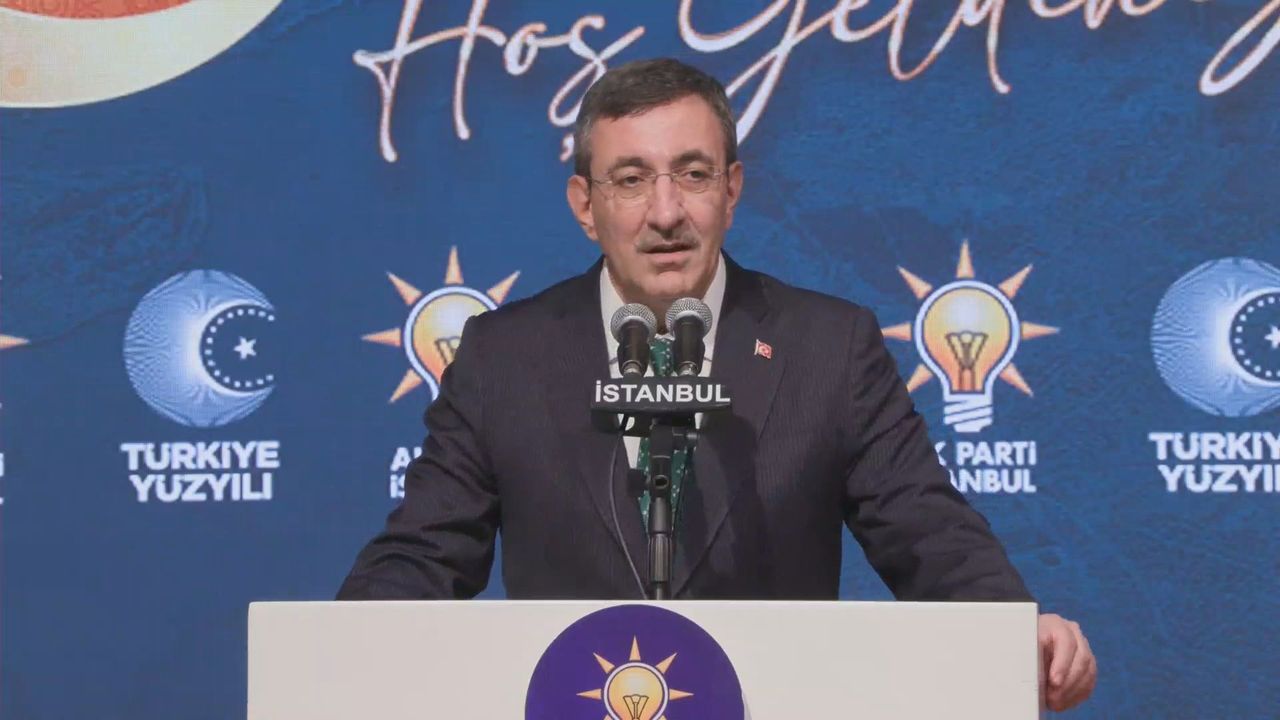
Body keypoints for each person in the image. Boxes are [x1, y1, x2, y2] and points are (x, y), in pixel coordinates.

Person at [338, 58, 1096, 712]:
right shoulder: (503, 355)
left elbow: (924, 527)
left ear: (732, 189)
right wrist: (330, 652)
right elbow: (425, 551)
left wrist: (1008, 629)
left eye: (693, 175)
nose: (666, 213)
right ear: (585, 206)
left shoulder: (828, 347)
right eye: (631, 180)